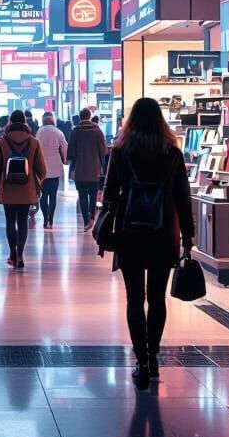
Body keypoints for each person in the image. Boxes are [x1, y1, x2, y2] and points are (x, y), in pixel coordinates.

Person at [102, 97, 194, 391]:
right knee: (157, 298)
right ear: (160, 120)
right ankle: (153, 355)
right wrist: (189, 235)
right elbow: (183, 197)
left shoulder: (120, 152)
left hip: (130, 234)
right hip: (163, 233)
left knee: (134, 299)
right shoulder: (172, 154)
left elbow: (109, 196)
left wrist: (106, 228)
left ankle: (140, 358)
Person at [0, 110, 46, 270]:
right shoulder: (34, 142)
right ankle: (20, 254)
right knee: (22, 222)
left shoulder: (2, 141)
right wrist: (35, 182)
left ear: (10, 122)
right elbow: (42, 169)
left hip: (7, 188)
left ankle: (12, 252)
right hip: (26, 190)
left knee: (10, 221)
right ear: (25, 123)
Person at [68, 107, 109, 231]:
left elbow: (71, 152)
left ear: (80, 117)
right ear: (89, 116)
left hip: (80, 170)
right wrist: (103, 167)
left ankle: (86, 220)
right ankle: (92, 216)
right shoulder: (97, 131)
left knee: (82, 195)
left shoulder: (75, 131)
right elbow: (104, 151)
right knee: (93, 194)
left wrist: (72, 166)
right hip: (95, 170)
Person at [36, 112, 68, 230]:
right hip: (55, 168)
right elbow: (65, 148)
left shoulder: (39, 132)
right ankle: (51, 219)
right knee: (53, 195)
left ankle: (45, 218)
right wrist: (65, 161)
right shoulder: (58, 132)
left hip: (41, 169)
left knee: (43, 196)